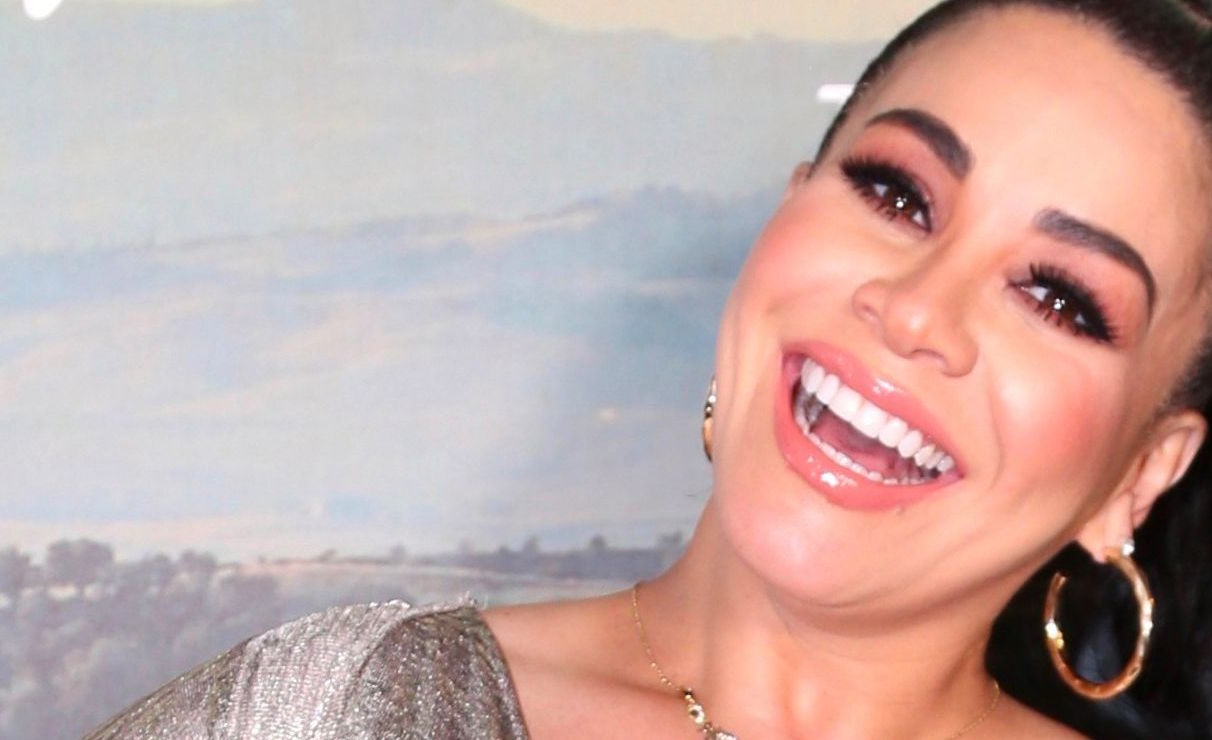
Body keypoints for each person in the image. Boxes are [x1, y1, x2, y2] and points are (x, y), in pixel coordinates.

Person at [85, 1, 1212, 737]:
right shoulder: (332, 714)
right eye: (896, 193)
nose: (917, 308)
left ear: (1141, 474)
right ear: (783, 217)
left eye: (1058, 297)